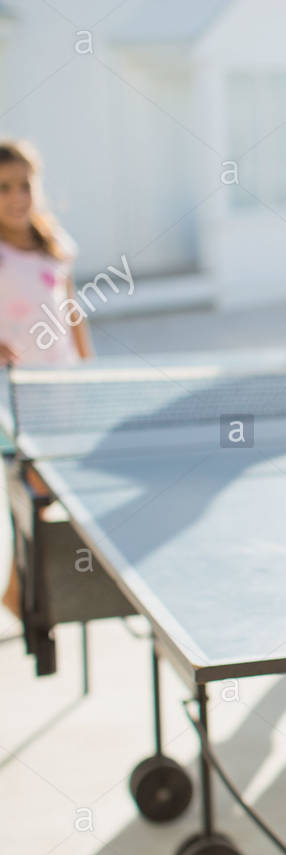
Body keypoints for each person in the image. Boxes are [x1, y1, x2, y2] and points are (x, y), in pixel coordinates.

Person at [0, 140, 92, 620]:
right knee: (32, 494)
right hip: (14, 398)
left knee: (50, 492)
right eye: (3, 187)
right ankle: (24, 590)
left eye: (25, 185)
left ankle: (25, 590)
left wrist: (87, 364)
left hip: (62, 388)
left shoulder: (55, 244)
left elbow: (71, 306)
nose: (17, 196)